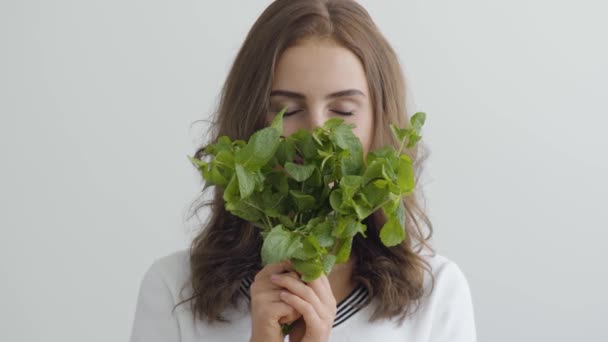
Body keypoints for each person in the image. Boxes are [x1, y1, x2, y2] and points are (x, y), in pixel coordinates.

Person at [129, 1, 477, 341]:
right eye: (288, 110)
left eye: (342, 111)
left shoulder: (435, 294)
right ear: (251, 122)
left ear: (380, 124)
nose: (316, 132)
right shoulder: (173, 289)